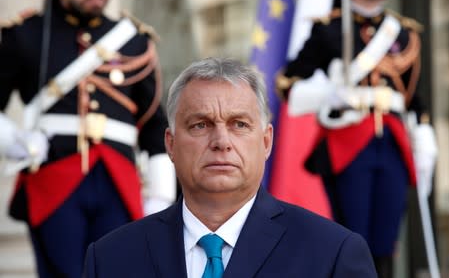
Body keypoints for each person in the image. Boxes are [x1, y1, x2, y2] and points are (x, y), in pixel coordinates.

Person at [82, 57, 377, 278]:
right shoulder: (109, 259)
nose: (221, 141)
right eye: (200, 125)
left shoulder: (332, 254)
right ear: (170, 144)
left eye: (239, 125)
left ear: (266, 142)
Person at [0, 0, 176, 277]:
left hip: (118, 184)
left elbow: (154, 126)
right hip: (54, 182)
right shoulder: (25, 34)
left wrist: (160, 197)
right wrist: (15, 141)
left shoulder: (133, 41)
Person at [276, 0, 437, 277]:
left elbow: (415, 98)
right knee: (352, 240)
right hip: (348, 144)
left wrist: (425, 137)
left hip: (392, 145)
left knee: (386, 242)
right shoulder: (330, 29)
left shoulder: (404, 32)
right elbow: (288, 83)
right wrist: (329, 94)